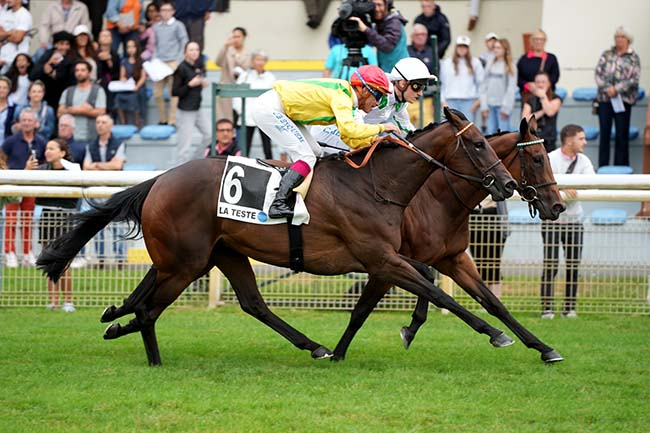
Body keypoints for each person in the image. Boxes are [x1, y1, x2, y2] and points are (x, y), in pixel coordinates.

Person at [251, 64, 399, 218]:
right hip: (270, 108)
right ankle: (278, 203)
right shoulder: (342, 97)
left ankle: (296, 196)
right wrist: (381, 128)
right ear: (363, 89)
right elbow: (350, 130)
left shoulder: (346, 98)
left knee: (315, 152)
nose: (378, 103)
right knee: (306, 156)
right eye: (378, 95)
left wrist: (374, 141)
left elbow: (347, 137)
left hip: (282, 110)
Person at [540, 124, 595, 319]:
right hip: (552, 221)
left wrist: (565, 189)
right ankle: (547, 308)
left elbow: (590, 183)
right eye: (581, 138)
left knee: (573, 265)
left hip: (574, 221)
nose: (585, 142)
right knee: (551, 265)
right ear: (569, 140)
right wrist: (566, 191)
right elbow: (545, 185)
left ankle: (569, 308)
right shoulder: (552, 158)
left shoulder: (584, 161)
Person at [30, 138, 80, 312]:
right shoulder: (41, 170)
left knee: (64, 262)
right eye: (46, 148)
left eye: (52, 148)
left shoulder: (73, 170)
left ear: (62, 153)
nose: (47, 151)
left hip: (66, 218)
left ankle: (68, 301)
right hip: (47, 217)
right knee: (49, 260)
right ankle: (53, 301)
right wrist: (28, 171)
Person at [0, 108, 46, 267]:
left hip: (31, 186)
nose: (26, 123)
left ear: (35, 123)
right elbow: (2, 159)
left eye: (29, 120)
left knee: (28, 220)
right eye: (24, 120)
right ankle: (9, 252)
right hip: (13, 186)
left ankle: (27, 253)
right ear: (19, 123)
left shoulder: (41, 142)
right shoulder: (11, 141)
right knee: (11, 220)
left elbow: (45, 162)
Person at [83, 114, 126, 267]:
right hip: (96, 191)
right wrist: (107, 165)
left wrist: (97, 165)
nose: (100, 125)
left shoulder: (119, 143)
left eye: (103, 122)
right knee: (97, 227)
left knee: (117, 226)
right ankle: (100, 259)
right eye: (98, 122)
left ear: (110, 126)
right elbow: (85, 167)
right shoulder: (91, 145)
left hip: (114, 192)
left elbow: (118, 165)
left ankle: (121, 258)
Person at [595, 26, 641, 168]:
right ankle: (603, 167)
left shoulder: (633, 57)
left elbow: (634, 78)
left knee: (622, 135)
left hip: (623, 101)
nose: (618, 39)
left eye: (622, 37)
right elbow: (598, 73)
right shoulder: (607, 54)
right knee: (605, 134)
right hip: (605, 100)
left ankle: (621, 168)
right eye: (617, 36)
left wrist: (617, 89)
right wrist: (608, 88)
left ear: (628, 40)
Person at [172, 41, 210, 163]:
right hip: (185, 111)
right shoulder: (181, 68)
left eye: (196, 50)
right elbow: (175, 91)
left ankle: (194, 162)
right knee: (184, 146)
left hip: (197, 108)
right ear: (185, 53)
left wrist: (201, 84)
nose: (194, 52)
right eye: (191, 50)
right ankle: (181, 176)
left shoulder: (198, 65)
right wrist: (190, 85)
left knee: (210, 135)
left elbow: (198, 81)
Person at [233, 50, 276, 158]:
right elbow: (237, 95)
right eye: (257, 59)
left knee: (267, 147)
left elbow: (274, 96)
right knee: (245, 148)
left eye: (262, 60)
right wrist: (241, 111)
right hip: (247, 116)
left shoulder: (270, 77)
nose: (260, 62)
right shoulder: (245, 76)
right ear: (252, 61)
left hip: (265, 116)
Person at [153, 0, 188, 126]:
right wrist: (155, 60)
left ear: (173, 12)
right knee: (157, 93)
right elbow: (154, 45)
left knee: (174, 93)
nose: (165, 13)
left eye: (168, 10)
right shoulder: (156, 27)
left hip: (174, 62)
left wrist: (179, 60)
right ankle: (163, 119)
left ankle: (172, 120)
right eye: (163, 10)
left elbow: (184, 42)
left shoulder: (178, 25)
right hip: (159, 63)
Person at [57, 60, 107, 149]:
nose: (79, 73)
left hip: (91, 138)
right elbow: (60, 113)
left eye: (83, 70)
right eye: (77, 70)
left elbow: (101, 112)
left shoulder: (98, 90)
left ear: (89, 73)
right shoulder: (68, 91)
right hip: (69, 139)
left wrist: (76, 110)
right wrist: (80, 110)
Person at [349, 0, 408, 73]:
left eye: (379, 5)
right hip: (388, 70)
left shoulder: (394, 22)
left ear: (387, 6)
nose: (376, 9)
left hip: (398, 73)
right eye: (373, 5)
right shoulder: (380, 22)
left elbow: (387, 45)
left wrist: (365, 29)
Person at [469, 197, 507, 299]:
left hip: (493, 216)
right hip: (474, 216)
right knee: (479, 262)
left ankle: (495, 298)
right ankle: (485, 299)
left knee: (494, 262)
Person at [440, 35, 484, 122]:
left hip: (468, 101)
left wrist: (479, 101)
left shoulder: (475, 63)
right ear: (456, 47)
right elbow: (443, 84)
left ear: (468, 48)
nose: (462, 49)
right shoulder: (447, 63)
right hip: (450, 101)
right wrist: (443, 101)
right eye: (460, 46)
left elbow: (481, 83)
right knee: (449, 129)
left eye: (465, 47)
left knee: (467, 130)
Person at [29, 30, 76, 110]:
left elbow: (64, 78)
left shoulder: (72, 57)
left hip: (63, 99)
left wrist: (52, 72)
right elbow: (32, 75)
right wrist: (47, 64)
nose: (64, 47)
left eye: (67, 44)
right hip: (46, 97)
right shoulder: (47, 55)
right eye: (61, 44)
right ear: (55, 44)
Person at [479, 38, 516, 135]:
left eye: (499, 48)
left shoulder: (510, 66)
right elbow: (484, 86)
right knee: (491, 135)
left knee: (503, 135)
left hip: (502, 108)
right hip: (490, 106)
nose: (495, 50)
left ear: (505, 50)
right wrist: (484, 106)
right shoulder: (490, 64)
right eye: (495, 47)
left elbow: (511, 89)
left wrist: (506, 108)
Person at [215, 26, 251, 122]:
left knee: (240, 119)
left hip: (240, 90)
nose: (236, 39)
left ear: (244, 37)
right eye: (234, 37)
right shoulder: (227, 50)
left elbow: (246, 68)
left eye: (238, 36)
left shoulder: (248, 54)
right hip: (227, 88)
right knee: (225, 120)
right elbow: (218, 62)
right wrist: (225, 46)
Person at [521, 71, 562, 153]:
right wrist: (542, 111)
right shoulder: (529, 100)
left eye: (543, 82)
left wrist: (543, 97)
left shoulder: (556, 98)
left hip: (549, 140)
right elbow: (525, 119)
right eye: (538, 82)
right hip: (532, 139)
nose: (540, 85)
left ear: (549, 83)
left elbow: (550, 112)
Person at [516, 29, 560, 102]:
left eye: (542, 39)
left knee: (544, 113)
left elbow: (555, 76)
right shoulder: (524, 59)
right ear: (532, 41)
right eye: (536, 39)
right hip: (529, 96)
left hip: (546, 96)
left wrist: (544, 86)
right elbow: (518, 77)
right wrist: (527, 86)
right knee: (530, 114)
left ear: (545, 41)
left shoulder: (551, 58)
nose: (539, 42)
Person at [115, 38, 147, 128]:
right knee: (118, 97)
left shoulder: (142, 61)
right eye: (128, 47)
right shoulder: (124, 61)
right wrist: (123, 79)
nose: (131, 49)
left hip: (138, 87)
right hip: (128, 86)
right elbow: (122, 76)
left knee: (136, 97)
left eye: (133, 47)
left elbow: (143, 77)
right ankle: (123, 122)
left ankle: (138, 123)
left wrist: (136, 86)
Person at [0, 0, 32, 74]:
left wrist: (4, 34)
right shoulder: (5, 14)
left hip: (18, 58)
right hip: (3, 56)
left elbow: (18, 38)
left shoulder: (25, 15)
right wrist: (10, 33)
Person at [0, 75, 17, 145]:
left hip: (5, 146)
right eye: (0, 87)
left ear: (9, 89)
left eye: (5, 88)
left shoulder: (14, 108)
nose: (1, 90)